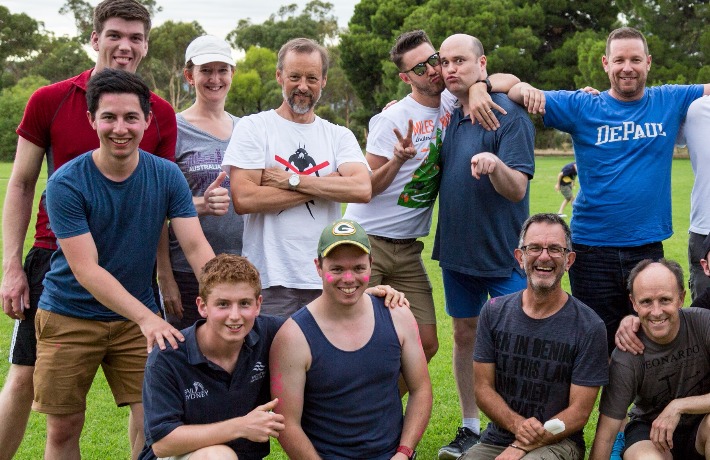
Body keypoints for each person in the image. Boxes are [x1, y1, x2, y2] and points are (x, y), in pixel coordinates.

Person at [0, 1, 177, 458]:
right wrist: (12, 266)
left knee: (151, 403)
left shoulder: (156, 111)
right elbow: (20, 184)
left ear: (146, 44)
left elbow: (159, 202)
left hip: (131, 265)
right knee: (24, 378)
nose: (125, 45)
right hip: (54, 257)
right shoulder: (50, 99)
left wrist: (165, 275)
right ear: (95, 38)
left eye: (136, 37)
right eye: (115, 34)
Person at [32, 68, 214, 460]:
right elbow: (87, 269)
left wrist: (224, 297)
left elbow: (196, 245)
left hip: (136, 319)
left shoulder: (166, 175)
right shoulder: (66, 183)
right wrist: (149, 318)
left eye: (131, 117)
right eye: (109, 117)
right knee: (64, 426)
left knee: (155, 420)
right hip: (70, 313)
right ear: (91, 120)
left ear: (148, 121)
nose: (120, 128)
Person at [508, 26, 710, 356]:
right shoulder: (582, 105)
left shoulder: (668, 98)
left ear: (648, 62)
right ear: (605, 63)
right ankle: (590, 409)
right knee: (595, 345)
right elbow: (511, 89)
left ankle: (642, 410)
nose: (626, 67)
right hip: (592, 250)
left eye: (634, 59)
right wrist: (525, 87)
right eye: (619, 60)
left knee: (649, 344)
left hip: (645, 247)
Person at [343, 30, 521, 368]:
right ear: (405, 77)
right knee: (353, 338)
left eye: (434, 60)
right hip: (366, 241)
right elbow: (365, 188)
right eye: (420, 68)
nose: (434, 70)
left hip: (409, 247)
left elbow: (507, 78)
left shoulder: (453, 102)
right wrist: (397, 159)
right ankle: (353, 415)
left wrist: (480, 86)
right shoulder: (391, 119)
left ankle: (383, 409)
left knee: (426, 343)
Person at [434, 33, 536, 459]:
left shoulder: (508, 114)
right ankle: (470, 426)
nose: (451, 68)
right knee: (463, 335)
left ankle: (521, 427)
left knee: (520, 342)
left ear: (483, 63)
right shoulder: (450, 113)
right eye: (444, 62)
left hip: (505, 254)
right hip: (457, 254)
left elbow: (516, 189)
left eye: (461, 60)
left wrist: (495, 167)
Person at [221, 38, 372, 317]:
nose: (303, 86)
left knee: (323, 360)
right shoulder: (254, 128)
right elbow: (244, 198)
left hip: (326, 278)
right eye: (294, 77)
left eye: (312, 78)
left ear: (324, 80)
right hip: (269, 278)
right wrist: (331, 183)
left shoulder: (338, 135)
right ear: (280, 76)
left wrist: (292, 180)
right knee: (269, 359)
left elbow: (362, 188)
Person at [269, 219, 432, 459]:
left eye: (358, 268)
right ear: (318, 267)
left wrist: (404, 453)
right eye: (336, 269)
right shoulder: (293, 336)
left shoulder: (398, 315)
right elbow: (287, 425)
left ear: (371, 265)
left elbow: (421, 390)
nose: (348, 278)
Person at [463, 213, 608, 459]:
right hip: (499, 437)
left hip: (558, 442)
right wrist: (518, 427)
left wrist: (520, 446)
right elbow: (482, 390)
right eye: (535, 248)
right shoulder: (494, 311)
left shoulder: (590, 326)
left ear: (569, 260)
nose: (544, 257)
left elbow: (580, 412)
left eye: (555, 249)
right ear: (520, 257)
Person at [141, 254, 285, 460]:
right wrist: (241, 426)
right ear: (202, 306)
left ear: (258, 304)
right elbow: (163, 443)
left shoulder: (274, 333)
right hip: (180, 456)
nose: (235, 315)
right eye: (223, 304)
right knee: (218, 456)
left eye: (244, 303)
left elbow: (316, 334)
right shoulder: (169, 356)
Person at [158, 35, 244, 330]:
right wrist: (165, 276)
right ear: (189, 76)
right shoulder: (174, 129)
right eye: (206, 70)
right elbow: (155, 204)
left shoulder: (246, 129)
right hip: (186, 271)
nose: (215, 78)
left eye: (223, 70)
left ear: (232, 74)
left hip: (244, 266)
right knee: (188, 360)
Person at [589, 259, 710, 460]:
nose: (656, 311)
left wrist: (679, 405)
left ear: (681, 298)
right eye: (646, 301)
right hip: (648, 432)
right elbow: (606, 436)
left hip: (701, 427)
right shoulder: (628, 354)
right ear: (633, 302)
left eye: (665, 300)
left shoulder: (704, 324)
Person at [679, 96, 710, 301]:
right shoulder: (697, 109)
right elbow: (641, 120)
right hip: (705, 230)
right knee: (704, 321)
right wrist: (596, 101)